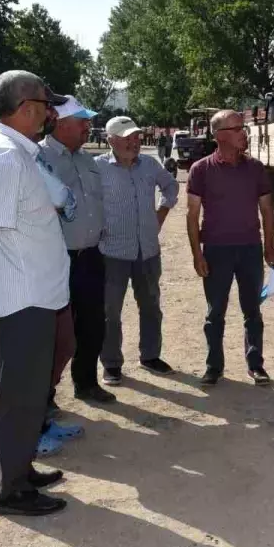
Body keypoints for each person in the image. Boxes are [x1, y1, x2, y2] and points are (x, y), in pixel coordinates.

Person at [0, 69, 70, 517]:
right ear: (26, 109)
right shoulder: (6, 156)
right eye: (46, 105)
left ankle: (18, 470)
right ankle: (11, 491)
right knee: (20, 397)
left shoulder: (15, 151)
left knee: (26, 393)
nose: (50, 113)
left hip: (35, 293)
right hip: (24, 297)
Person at [186, 109, 274, 386]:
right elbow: (192, 215)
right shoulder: (200, 170)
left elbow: (267, 210)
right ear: (220, 136)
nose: (244, 133)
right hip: (216, 251)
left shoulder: (256, 168)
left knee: (253, 310)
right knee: (215, 312)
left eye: (243, 128)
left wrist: (270, 247)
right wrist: (197, 254)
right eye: (238, 128)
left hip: (250, 249)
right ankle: (214, 367)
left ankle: (256, 365)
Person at [38, 96, 116, 406]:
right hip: (57, 258)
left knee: (93, 324)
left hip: (91, 256)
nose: (88, 126)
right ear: (60, 122)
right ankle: (44, 394)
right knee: (54, 332)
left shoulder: (87, 160)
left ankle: (86, 382)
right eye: (82, 121)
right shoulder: (38, 158)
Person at [95, 115, 179, 385]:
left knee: (151, 306)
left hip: (147, 251)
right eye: (127, 137)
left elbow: (171, 185)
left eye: (136, 137)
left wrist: (162, 212)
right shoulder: (97, 168)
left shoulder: (150, 165)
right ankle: (111, 363)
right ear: (111, 140)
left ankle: (150, 356)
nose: (134, 142)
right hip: (112, 252)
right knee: (110, 312)